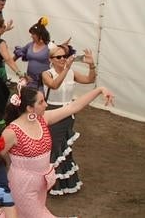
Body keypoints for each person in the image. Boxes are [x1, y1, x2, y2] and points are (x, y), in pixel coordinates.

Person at [0, 83, 114, 218]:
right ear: (30, 108)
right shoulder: (11, 132)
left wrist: (99, 90)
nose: (46, 105)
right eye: (41, 102)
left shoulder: (42, 119)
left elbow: (73, 107)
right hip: (22, 187)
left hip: (41, 184)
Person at [42, 43, 97, 196]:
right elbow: (54, 85)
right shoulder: (47, 74)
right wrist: (66, 68)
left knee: (64, 147)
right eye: (58, 57)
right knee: (54, 148)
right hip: (53, 113)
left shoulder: (71, 72)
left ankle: (66, 182)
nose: (62, 59)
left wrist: (91, 65)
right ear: (50, 59)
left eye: (64, 56)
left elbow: (89, 80)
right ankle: (52, 183)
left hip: (68, 114)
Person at [14, 17, 51, 90]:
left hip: (43, 82)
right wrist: (9, 62)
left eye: (33, 34)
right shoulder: (30, 45)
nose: (31, 36)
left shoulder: (49, 47)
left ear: (40, 35)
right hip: (30, 80)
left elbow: (59, 56)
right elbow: (18, 54)